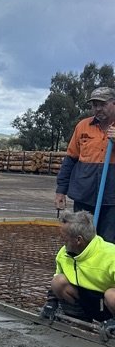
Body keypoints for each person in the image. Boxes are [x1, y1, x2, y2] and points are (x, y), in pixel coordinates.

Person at [55, 87, 115, 242]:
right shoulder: (83, 126)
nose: (97, 109)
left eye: (102, 104)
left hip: (112, 199)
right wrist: (61, 190)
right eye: (94, 105)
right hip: (84, 195)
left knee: (109, 242)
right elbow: (70, 159)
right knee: (81, 240)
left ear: (113, 103)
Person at [40, 209, 115, 327]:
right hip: (87, 299)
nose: (61, 240)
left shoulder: (111, 255)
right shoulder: (64, 253)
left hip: (107, 306)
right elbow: (57, 278)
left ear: (78, 240)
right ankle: (80, 320)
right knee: (58, 282)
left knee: (112, 295)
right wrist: (51, 302)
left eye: (64, 237)